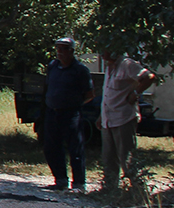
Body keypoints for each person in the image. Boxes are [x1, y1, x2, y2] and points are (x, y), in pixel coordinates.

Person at [98, 50, 161, 196]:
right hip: (108, 119)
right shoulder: (109, 68)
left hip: (123, 117)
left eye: (105, 50)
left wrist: (136, 94)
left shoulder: (127, 64)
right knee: (108, 157)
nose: (102, 55)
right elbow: (108, 94)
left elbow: (149, 77)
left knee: (127, 157)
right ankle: (110, 189)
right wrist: (101, 116)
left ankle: (137, 190)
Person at [43, 36, 94, 193]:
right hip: (52, 112)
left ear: (71, 51)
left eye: (63, 49)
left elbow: (90, 94)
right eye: (58, 49)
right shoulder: (53, 66)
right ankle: (60, 180)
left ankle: (79, 183)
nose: (60, 53)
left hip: (71, 114)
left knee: (75, 148)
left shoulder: (80, 70)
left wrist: (73, 104)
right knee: (52, 147)